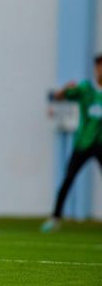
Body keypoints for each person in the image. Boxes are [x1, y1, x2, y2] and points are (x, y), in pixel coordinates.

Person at [42, 55, 102, 232]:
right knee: (68, 178)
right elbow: (59, 97)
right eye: (98, 66)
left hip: (100, 144)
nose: (100, 70)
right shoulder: (86, 90)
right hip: (83, 143)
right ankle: (55, 217)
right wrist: (64, 89)